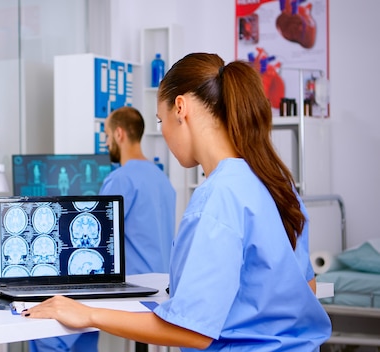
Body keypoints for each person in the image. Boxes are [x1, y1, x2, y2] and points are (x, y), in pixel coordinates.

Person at [23, 53, 332, 351]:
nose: (164, 133)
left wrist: (88, 313)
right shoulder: (276, 182)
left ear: (180, 108)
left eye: (161, 120)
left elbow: (192, 332)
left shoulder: (218, 196)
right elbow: (307, 289)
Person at [29, 106, 177, 352]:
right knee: (80, 323)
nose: (107, 143)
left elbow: (98, 235)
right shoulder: (161, 178)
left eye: (107, 136)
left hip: (133, 284)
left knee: (49, 332)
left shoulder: (121, 178)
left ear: (119, 134)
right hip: (162, 283)